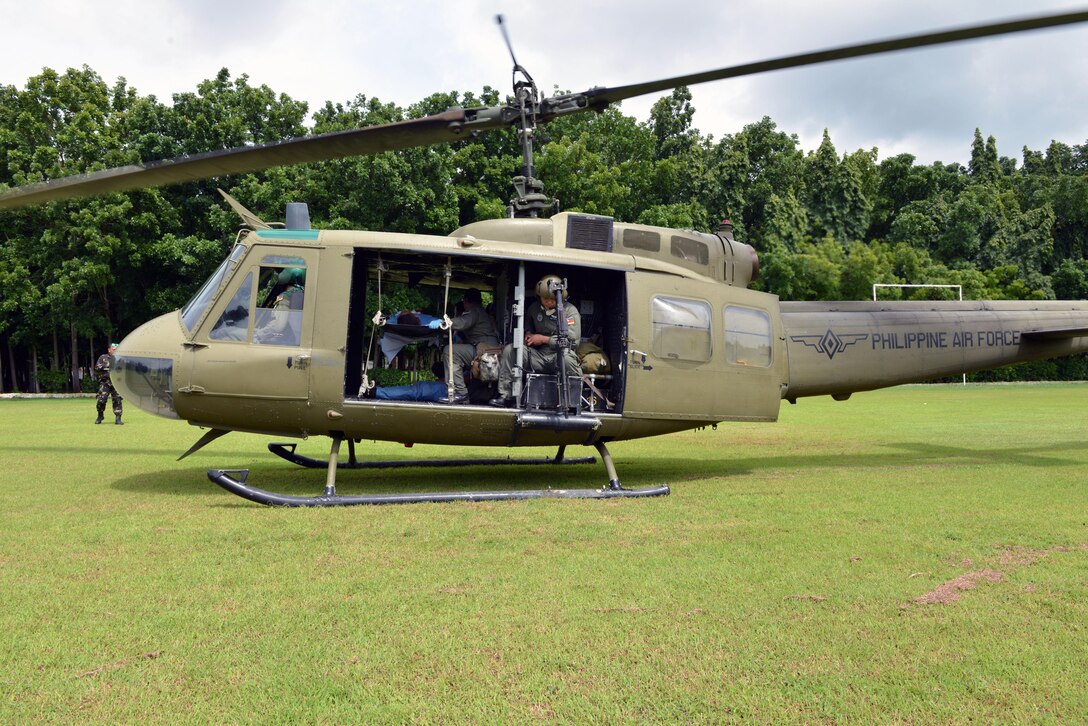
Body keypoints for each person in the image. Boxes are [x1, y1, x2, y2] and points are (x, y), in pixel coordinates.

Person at [491, 274, 581, 407]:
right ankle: (506, 395)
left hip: (559, 355)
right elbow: (527, 326)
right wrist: (528, 335)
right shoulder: (534, 309)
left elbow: (573, 341)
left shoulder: (569, 311)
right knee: (511, 350)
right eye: (545, 299)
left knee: (567, 359)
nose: (549, 302)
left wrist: (543, 339)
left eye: (552, 299)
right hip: (537, 356)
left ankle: (571, 402)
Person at [431, 288, 499, 404]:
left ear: (466, 301)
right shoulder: (482, 312)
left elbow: (463, 322)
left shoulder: (475, 311)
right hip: (487, 349)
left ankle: (460, 393)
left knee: (450, 351)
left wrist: (444, 323)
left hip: (485, 350)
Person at [255, 267, 305, 345]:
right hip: (284, 301)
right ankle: (259, 335)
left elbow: (279, 325)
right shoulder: (300, 293)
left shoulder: (285, 295)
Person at [375, 361, 448, 402]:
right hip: (443, 387)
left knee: (415, 391)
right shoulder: (439, 387)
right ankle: (377, 391)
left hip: (444, 389)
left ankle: (376, 391)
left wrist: (378, 391)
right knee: (415, 391)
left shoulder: (439, 388)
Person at [94, 342, 123, 425]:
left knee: (117, 400)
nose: (115, 351)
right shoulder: (103, 357)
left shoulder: (120, 359)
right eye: (114, 349)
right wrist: (109, 366)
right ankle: (100, 415)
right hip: (105, 382)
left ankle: (118, 419)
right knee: (101, 400)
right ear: (109, 350)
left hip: (116, 383)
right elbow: (97, 367)